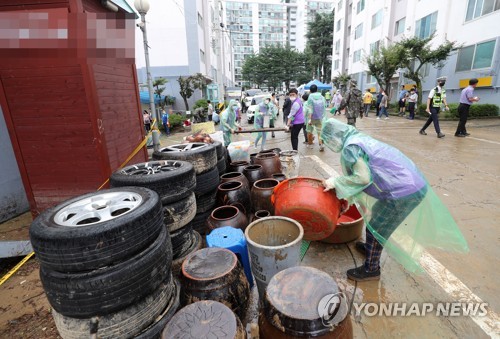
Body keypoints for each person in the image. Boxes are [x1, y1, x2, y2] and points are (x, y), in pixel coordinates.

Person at [320, 119, 468, 281]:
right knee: (377, 216)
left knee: (377, 227)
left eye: (327, 139)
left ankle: (371, 269)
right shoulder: (358, 138)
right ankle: (371, 248)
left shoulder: (350, 148)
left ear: (333, 137)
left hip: (403, 191)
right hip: (408, 182)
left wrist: (334, 182)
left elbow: (362, 179)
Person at [305, 84, 326, 151]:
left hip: (312, 117)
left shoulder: (310, 97)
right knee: (320, 132)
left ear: (310, 91)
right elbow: (324, 107)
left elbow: (309, 108)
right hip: (320, 117)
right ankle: (321, 144)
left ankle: (310, 144)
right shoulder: (322, 97)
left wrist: (309, 119)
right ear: (317, 90)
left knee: (309, 131)